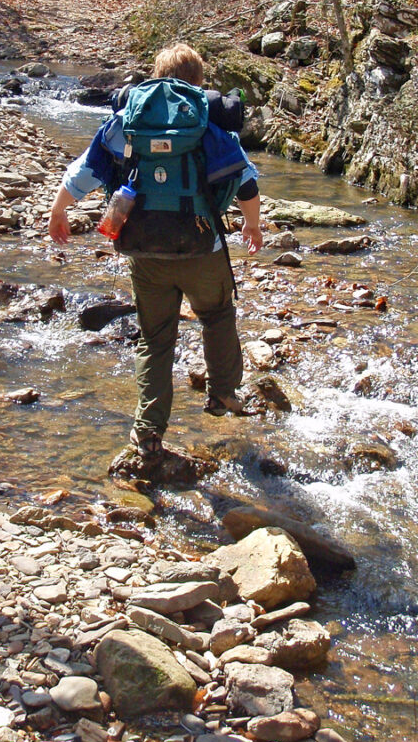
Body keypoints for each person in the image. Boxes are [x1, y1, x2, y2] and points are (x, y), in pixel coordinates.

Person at [48, 42, 262, 486]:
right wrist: (252, 226)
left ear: (155, 76)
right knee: (217, 315)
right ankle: (222, 394)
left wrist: (59, 209)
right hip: (202, 247)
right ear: (199, 83)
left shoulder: (127, 122)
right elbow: (245, 181)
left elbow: (86, 172)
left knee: (156, 338)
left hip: (143, 248)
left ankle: (148, 433)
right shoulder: (207, 123)